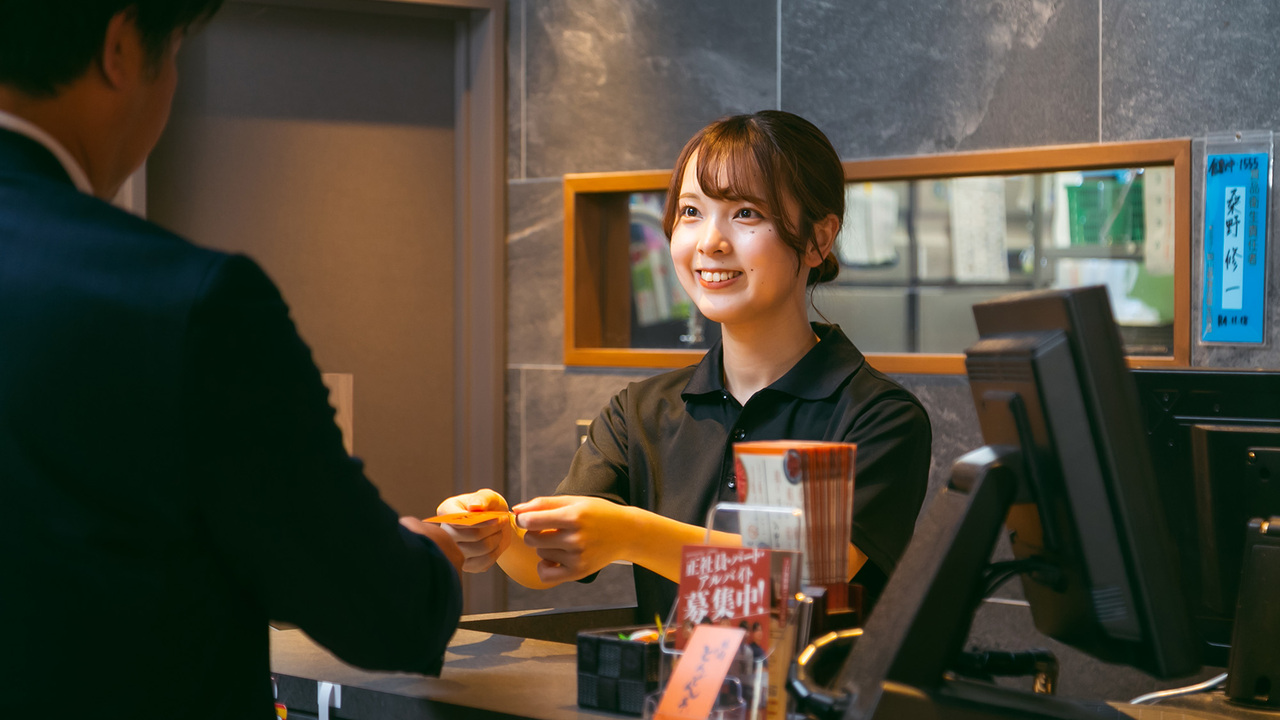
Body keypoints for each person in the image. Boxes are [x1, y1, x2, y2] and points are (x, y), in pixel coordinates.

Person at [0, 2, 464, 717]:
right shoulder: (184, 302)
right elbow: (384, 610)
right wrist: (433, 555)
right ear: (121, 47)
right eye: (177, 52)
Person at [439, 110, 931, 624]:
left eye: (745, 214)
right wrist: (496, 533)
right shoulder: (641, 410)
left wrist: (629, 532)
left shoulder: (880, 417)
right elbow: (546, 558)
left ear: (817, 240)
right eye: (691, 212)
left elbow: (804, 580)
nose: (709, 242)